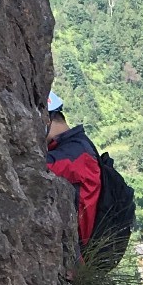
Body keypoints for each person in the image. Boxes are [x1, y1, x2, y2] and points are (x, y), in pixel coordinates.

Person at [47, 90, 103, 250]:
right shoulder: (77, 147)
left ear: (46, 119)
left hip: (76, 255)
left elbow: (35, 168)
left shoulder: (76, 155)